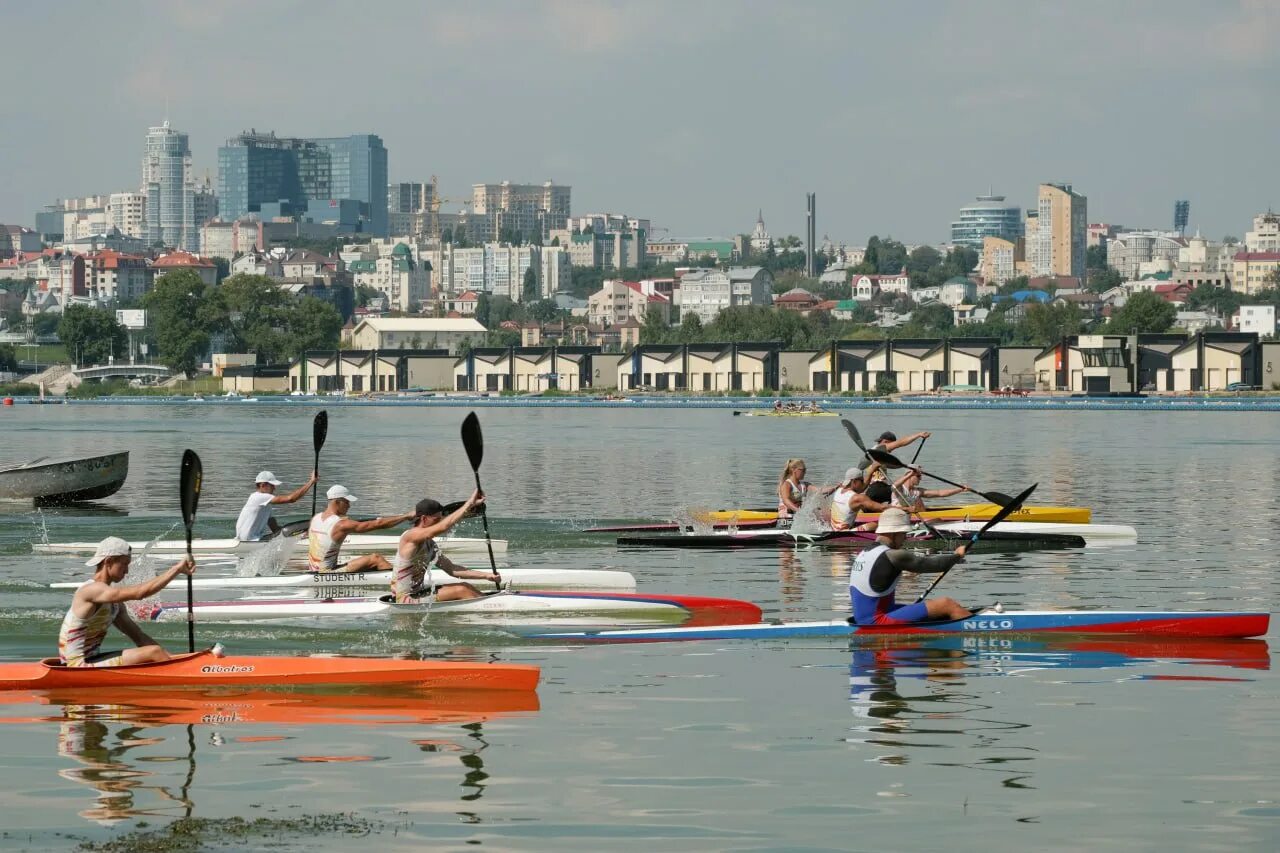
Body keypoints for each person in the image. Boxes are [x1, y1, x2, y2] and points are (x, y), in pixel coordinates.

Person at [58, 537, 196, 667]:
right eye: (124, 564)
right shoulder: (90, 590)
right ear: (109, 561)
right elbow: (139, 593)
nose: (127, 570)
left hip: (92, 660)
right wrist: (176, 569)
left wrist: (178, 661)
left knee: (155, 650)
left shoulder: (114, 604)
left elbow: (139, 637)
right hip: (74, 665)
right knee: (154, 652)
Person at [848, 508, 970, 625]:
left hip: (865, 618)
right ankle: (981, 627)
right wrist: (957, 556)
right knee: (946, 604)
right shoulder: (893, 555)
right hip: (876, 621)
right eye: (903, 534)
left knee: (934, 611)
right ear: (893, 533)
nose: (905, 538)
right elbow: (933, 565)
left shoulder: (865, 552)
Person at [391, 491, 499, 603]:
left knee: (464, 586)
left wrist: (486, 575)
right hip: (402, 600)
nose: (439, 523)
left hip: (417, 594)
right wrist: (469, 503)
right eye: (436, 520)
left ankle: (494, 603)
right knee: (462, 590)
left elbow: (452, 569)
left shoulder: (430, 544)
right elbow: (444, 526)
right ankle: (496, 607)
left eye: (440, 519)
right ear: (423, 519)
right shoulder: (411, 536)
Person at [307, 485, 415, 573]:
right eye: (347, 502)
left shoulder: (315, 518)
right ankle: (399, 583)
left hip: (314, 570)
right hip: (326, 573)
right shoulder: (341, 525)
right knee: (376, 559)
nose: (349, 505)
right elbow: (378, 524)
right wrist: (405, 516)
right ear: (337, 502)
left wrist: (345, 520)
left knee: (368, 561)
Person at [234, 469, 319, 542]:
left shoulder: (265, 504)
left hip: (251, 539)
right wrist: (311, 482)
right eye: (272, 485)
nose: (274, 488)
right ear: (262, 485)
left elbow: (275, 529)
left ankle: (305, 537)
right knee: (310, 523)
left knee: (287, 530)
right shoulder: (258, 497)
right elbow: (291, 499)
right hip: (252, 541)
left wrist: (297, 536)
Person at [858, 430, 931, 482]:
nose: (892, 449)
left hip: (874, 485)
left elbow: (891, 465)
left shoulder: (875, 453)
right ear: (886, 442)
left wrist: (908, 466)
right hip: (877, 486)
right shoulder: (880, 449)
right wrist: (919, 435)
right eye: (892, 444)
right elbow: (900, 443)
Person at [891, 467, 969, 512]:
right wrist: (910, 474)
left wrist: (960, 489)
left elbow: (939, 493)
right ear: (909, 475)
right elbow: (894, 486)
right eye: (918, 476)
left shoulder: (917, 491)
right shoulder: (900, 488)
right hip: (897, 515)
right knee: (918, 500)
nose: (921, 478)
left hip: (911, 515)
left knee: (918, 499)